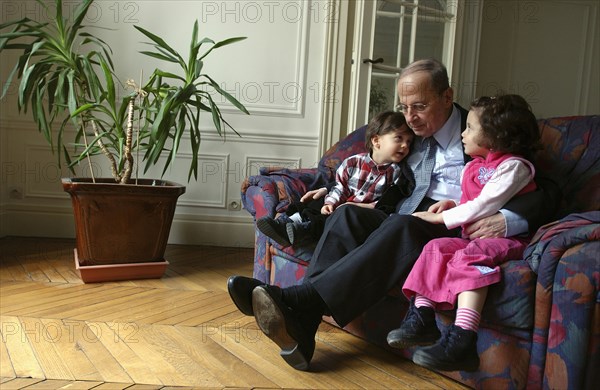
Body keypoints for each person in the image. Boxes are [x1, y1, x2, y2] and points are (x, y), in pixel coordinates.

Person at [227, 58, 558, 371]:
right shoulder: (409, 137)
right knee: (348, 216)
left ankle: (300, 299)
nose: (409, 118)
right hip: (407, 216)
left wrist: (510, 219)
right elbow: (366, 163)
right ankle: (305, 323)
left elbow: (545, 186)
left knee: (403, 225)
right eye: (404, 107)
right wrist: (324, 187)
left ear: (447, 97)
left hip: (454, 226)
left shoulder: (483, 131)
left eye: (419, 106)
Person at [386, 94, 540, 372]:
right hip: (472, 235)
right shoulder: (474, 166)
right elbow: (472, 201)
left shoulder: (514, 167)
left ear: (494, 136)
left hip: (509, 240)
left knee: (468, 257)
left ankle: (463, 339)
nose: (463, 133)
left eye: (469, 127)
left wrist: (443, 217)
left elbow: (487, 203)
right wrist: (453, 204)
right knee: (436, 248)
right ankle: (422, 317)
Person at [256, 111, 415, 247]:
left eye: (409, 142)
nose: (405, 146)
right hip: (340, 200)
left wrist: (352, 206)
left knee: (329, 218)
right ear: (376, 141)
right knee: (316, 200)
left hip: (360, 212)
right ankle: (286, 222)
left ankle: (302, 230)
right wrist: (330, 203)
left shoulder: (398, 173)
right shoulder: (354, 162)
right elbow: (340, 186)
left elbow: (386, 204)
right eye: (398, 139)